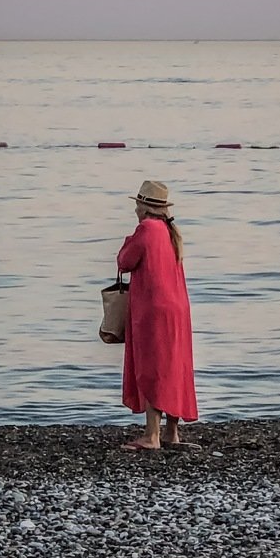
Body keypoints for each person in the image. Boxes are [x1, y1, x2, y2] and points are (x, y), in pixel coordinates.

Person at [116, 180, 199, 451]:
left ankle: (151, 436)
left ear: (144, 207)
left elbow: (124, 262)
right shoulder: (169, 231)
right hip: (178, 308)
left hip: (154, 309)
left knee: (153, 367)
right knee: (175, 366)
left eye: (138, 205)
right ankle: (171, 433)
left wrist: (128, 239)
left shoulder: (146, 229)